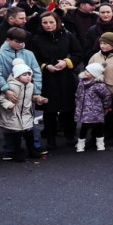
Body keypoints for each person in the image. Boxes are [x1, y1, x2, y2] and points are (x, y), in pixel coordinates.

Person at [0, 27, 46, 157]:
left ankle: (34, 146)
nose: (20, 44)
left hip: (27, 91)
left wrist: (36, 91)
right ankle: (11, 149)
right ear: (8, 40)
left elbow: (36, 72)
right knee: (9, 119)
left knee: (28, 117)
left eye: (22, 42)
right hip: (10, 91)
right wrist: (6, 89)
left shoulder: (28, 53)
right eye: (17, 42)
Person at [29, 11, 81, 149]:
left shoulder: (67, 35)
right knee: (49, 110)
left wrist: (66, 62)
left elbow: (78, 53)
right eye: (45, 22)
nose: (48, 25)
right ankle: (51, 138)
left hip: (66, 76)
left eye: (51, 22)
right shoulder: (36, 39)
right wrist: (46, 66)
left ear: (57, 22)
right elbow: (34, 59)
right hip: (47, 77)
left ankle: (70, 136)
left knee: (68, 108)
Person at [88, 32, 113, 144]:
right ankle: (96, 136)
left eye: (106, 43)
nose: (103, 46)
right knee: (98, 116)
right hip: (98, 93)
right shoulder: (95, 56)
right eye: (101, 43)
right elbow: (88, 72)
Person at [0, 59, 39, 161]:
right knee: (16, 136)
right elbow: (2, 98)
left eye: (29, 74)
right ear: (17, 76)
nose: (28, 76)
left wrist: (38, 99)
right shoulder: (11, 86)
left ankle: (32, 150)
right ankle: (16, 153)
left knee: (29, 134)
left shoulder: (31, 86)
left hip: (25, 113)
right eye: (24, 75)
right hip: (14, 114)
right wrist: (8, 105)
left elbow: (30, 98)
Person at [74, 63, 111, 152]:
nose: (85, 72)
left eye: (88, 72)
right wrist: (77, 104)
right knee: (84, 127)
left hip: (96, 111)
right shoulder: (81, 83)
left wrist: (106, 106)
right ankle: (80, 144)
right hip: (84, 110)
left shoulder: (99, 85)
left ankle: (100, 144)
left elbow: (107, 96)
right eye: (86, 70)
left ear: (94, 74)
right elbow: (78, 94)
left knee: (98, 127)